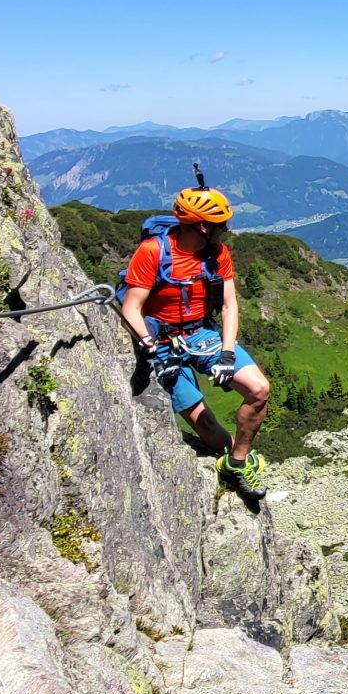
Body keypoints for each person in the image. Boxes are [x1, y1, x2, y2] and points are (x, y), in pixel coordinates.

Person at [119, 186, 271, 498]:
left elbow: (229, 306)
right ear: (203, 226)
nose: (226, 230)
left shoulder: (218, 255)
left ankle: (237, 465)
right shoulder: (153, 252)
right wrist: (147, 342)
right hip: (161, 343)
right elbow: (131, 307)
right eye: (221, 224)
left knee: (259, 390)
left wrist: (227, 354)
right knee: (210, 432)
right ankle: (229, 453)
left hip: (202, 334)